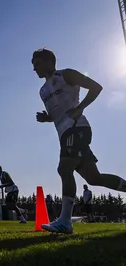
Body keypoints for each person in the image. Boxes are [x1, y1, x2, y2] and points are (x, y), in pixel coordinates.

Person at [33, 48, 126, 233]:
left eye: (37, 63)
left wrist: (80, 108)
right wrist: (47, 118)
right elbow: (57, 113)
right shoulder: (42, 91)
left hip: (77, 129)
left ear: (50, 62)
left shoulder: (66, 74)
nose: (34, 68)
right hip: (64, 134)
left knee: (64, 168)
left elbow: (96, 87)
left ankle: (65, 222)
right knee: (94, 178)